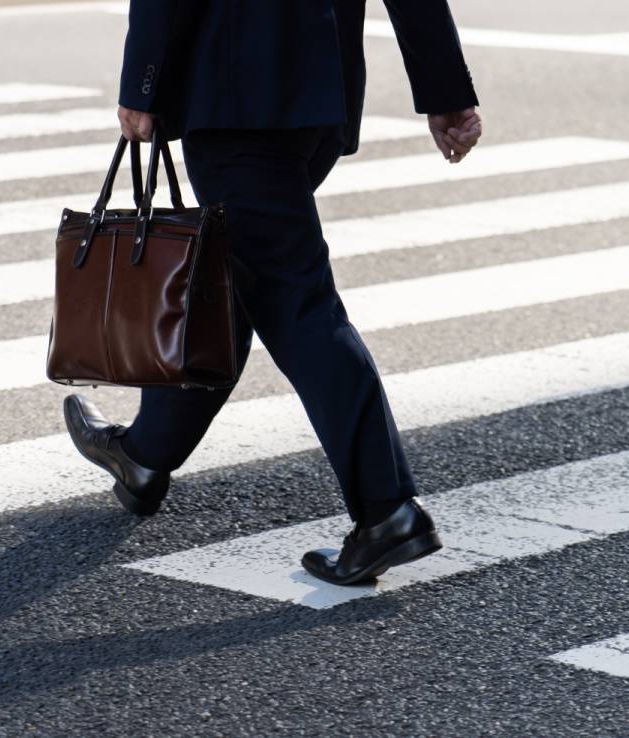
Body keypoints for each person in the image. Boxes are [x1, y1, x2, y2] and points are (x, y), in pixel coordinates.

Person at [63, 0, 483, 586]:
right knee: (240, 276)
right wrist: (446, 92)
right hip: (317, 100)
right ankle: (144, 453)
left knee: (295, 304)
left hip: (237, 99)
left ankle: (386, 510)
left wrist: (143, 81)